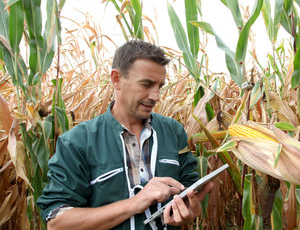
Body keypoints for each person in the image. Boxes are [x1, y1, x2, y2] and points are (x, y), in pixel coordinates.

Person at [37, 40, 213, 230]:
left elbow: (189, 193)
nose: (156, 96)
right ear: (116, 79)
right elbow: (56, 222)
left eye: (160, 86)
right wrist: (135, 203)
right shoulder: (78, 142)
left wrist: (188, 211)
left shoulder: (173, 131)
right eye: (146, 84)